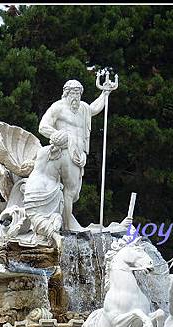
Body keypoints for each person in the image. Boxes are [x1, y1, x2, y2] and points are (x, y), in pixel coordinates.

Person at [38, 79, 110, 230]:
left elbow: (94, 108)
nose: (76, 97)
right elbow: (43, 126)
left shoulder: (83, 108)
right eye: (73, 93)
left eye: (78, 93)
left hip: (78, 154)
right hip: (63, 151)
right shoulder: (58, 107)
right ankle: (67, 227)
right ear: (66, 93)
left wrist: (104, 93)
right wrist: (57, 134)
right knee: (70, 191)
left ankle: (63, 220)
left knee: (74, 193)